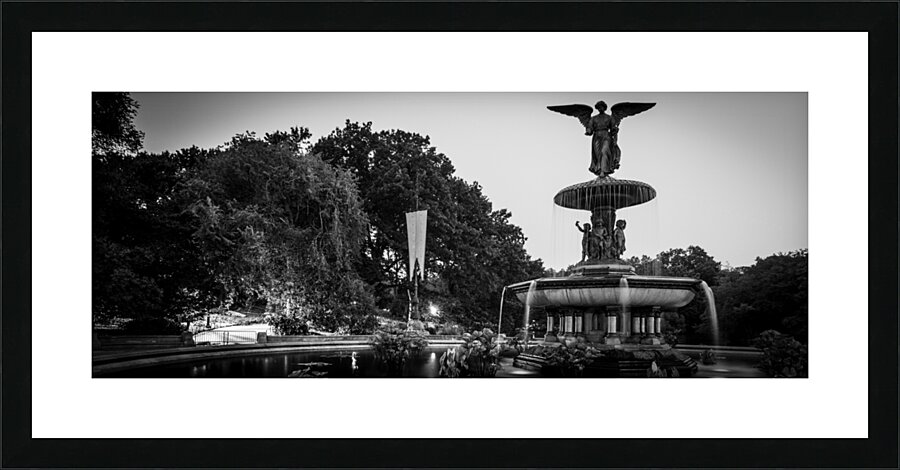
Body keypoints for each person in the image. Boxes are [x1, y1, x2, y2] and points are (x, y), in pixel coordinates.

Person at [585, 101, 620, 177]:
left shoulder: (609, 118)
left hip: (606, 136)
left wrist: (614, 130)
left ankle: (603, 170)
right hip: (597, 136)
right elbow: (590, 127)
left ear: (604, 107)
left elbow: (613, 128)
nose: (600, 108)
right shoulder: (594, 118)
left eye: (601, 107)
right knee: (597, 154)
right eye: (599, 107)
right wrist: (588, 131)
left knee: (604, 151)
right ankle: (599, 169)